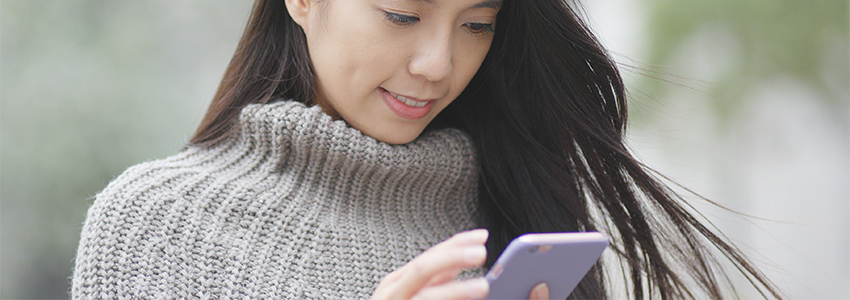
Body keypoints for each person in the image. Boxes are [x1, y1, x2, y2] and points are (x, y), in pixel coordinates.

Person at [72, 0, 783, 299]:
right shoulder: (157, 229)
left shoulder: (514, 212)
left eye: (478, 23)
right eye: (404, 14)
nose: (439, 63)